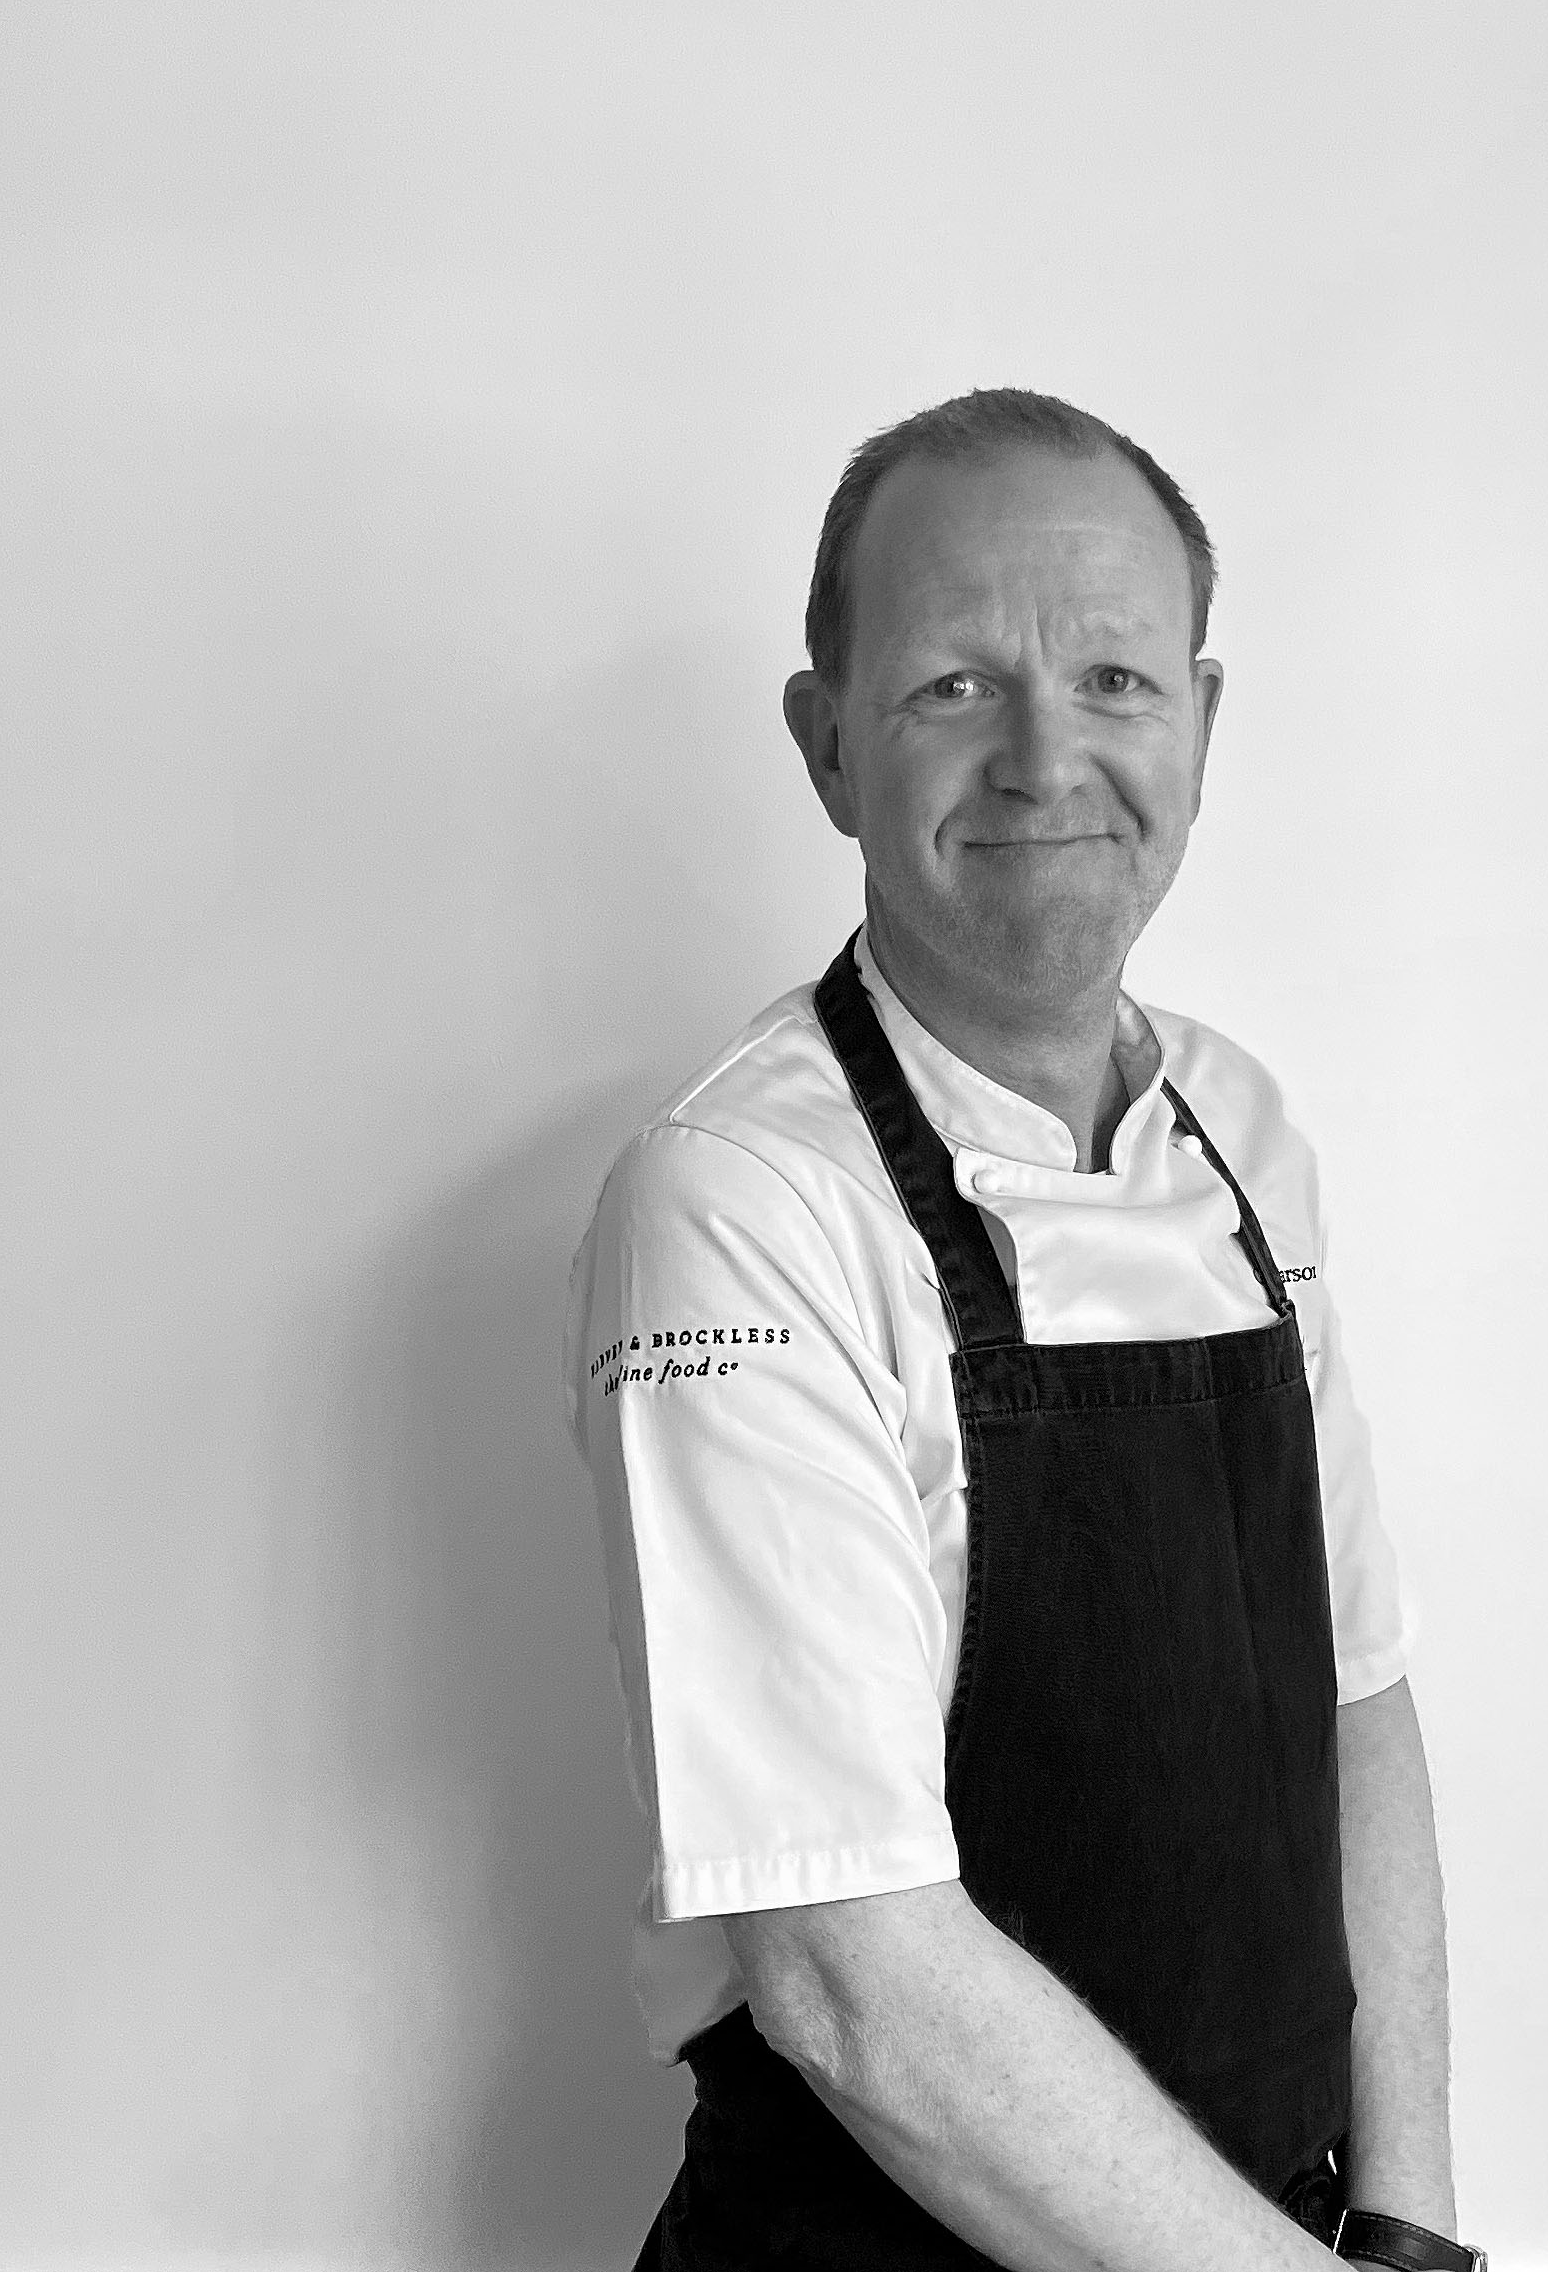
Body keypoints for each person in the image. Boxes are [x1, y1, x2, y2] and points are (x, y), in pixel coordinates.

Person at [565, 388, 1480, 2272]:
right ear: (827, 744)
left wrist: (1409, 2229)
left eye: (1116, 680)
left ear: (1201, 725)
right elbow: (852, 1978)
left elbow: (1354, 1694)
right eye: (953, 685)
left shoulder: (1239, 1128)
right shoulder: (737, 1205)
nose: (1047, 757)